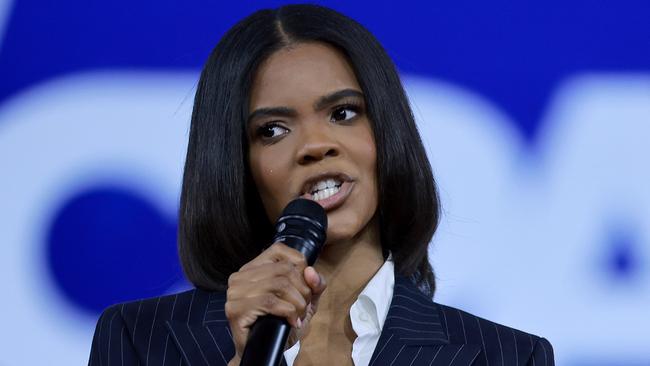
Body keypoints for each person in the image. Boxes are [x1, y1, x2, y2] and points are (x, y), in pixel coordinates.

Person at [89, 4, 554, 366]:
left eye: (343, 113)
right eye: (272, 129)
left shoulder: (506, 357)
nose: (315, 145)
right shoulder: (139, 341)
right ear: (235, 163)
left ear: (387, 133)